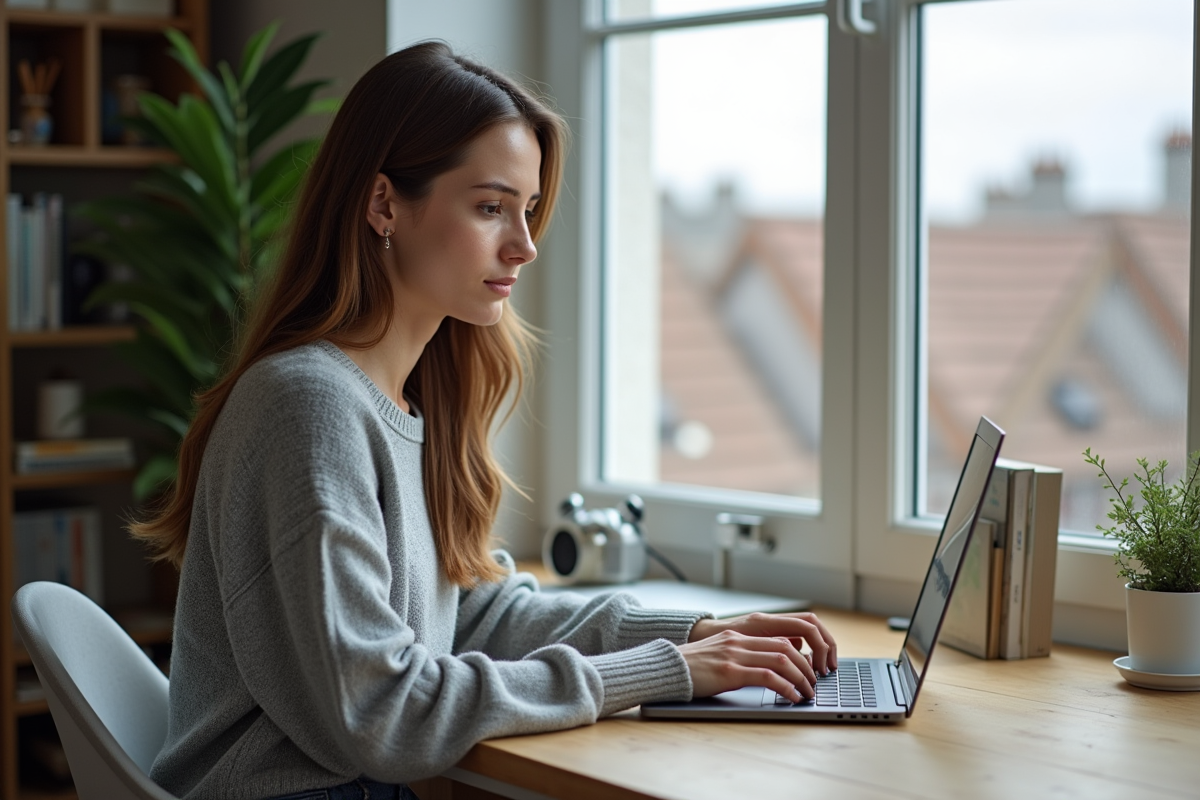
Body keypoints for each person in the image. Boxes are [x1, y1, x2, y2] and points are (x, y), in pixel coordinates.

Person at [139, 41, 838, 800]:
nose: (525, 245)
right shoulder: (309, 407)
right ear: (383, 206)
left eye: (529, 210)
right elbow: (381, 712)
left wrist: (690, 636)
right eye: (490, 207)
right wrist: (661, 673)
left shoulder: (407, 400)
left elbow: (470, 612)